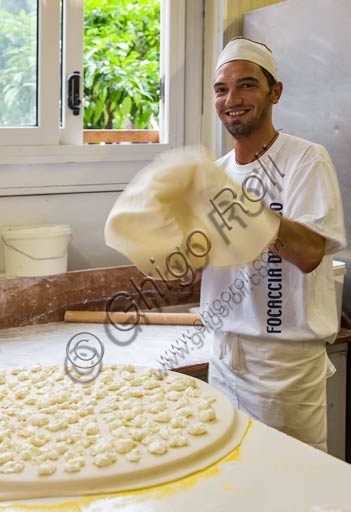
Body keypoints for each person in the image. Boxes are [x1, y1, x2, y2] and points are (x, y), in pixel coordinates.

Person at [200, 37, 346, 451]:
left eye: (247, 85)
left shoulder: (305, 160)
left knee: (289, 487)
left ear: (274, 92)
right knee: (232, 479)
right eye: (221, 89)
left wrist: (243, 207)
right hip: (225, 356)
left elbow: (308, 253)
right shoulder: (215, 173)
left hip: (284, 365)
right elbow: (197, 266)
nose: (233, 99)